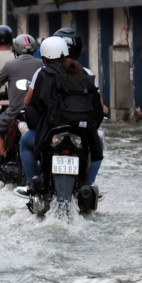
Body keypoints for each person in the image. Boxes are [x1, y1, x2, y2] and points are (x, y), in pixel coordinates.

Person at [15, 36, 104, 199]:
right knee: (99, 144)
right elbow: (99, 106)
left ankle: (32, 184)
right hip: (82, 131)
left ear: (44, 57)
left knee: (25, 143)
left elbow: (29, 102)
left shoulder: (41, 73)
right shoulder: (85, 72)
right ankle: (89, 185)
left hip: (50, 131)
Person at [0, 34, 42, 156]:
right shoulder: (42, 64)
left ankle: (3, 158)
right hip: (38, 113)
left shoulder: (9, 65)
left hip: (15, 112)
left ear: (15, 49)